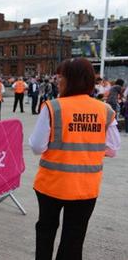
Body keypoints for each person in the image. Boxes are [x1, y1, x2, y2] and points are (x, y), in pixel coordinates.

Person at [29, 58, 120, 260]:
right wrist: (88, 147)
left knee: (46, 230)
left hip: (52, 184)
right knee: (74, 237)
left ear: (68, 80)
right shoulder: (105, 110)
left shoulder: (53, 107)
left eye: (61, 77)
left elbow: (37, 147)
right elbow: (113, 149)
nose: (59, 81)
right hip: (85, 187)